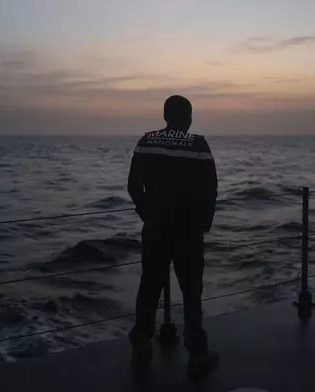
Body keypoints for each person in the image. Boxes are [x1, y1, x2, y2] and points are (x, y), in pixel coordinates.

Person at [127, 95, 219, 378]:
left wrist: (147, 213)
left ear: (165, 116)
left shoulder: (146, 142)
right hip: (188, 232)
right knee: (192, 293)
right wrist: (204, 223)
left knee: (149, 288)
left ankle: (141, 348)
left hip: (155, 230)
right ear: (189, 117)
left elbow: (133, 185)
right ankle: (197, 354)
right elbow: (210, 190)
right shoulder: (198, 145)